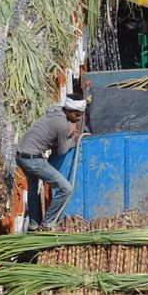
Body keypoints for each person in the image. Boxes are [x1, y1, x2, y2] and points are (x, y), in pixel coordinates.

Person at [16, 98, 86, 231]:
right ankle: (47, 224)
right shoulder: (63, 125)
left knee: (33, 188)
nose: (78, 118)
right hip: (33, 159)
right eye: (76, 115)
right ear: (69, 110)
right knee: (65, 188)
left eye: (81, 114)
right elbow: (62, 151)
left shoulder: (56, 111)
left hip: (20, 155)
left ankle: (33, 225)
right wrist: (72, 138)